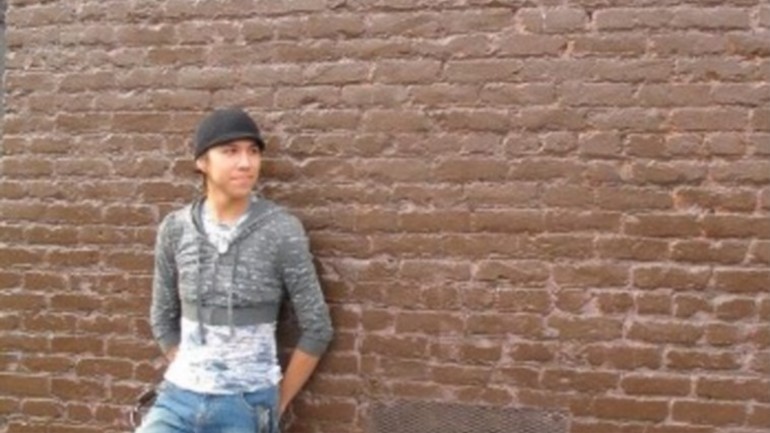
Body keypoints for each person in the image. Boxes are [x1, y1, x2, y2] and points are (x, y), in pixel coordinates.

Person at [137, 108, 334, 433]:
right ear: (202, 162)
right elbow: (162, 316)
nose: (246, 163)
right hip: (177, 400)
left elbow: (318, 328)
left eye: (253, 151)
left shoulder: (281, 230)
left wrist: (277, 404)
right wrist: (189, 366)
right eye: (230, 151)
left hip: (246, 406)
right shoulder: (175, 229)